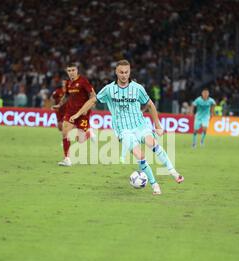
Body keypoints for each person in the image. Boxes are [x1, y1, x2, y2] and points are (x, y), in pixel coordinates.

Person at [70, 60, 184, 195]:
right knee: (139, 155)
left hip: (140, 125)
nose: (124, 75)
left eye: (126, 72)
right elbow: (92, 100)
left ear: (129, 72)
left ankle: (173, 172)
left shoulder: (138, 88)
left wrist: (158, 126)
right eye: (121, 72)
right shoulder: (109, 90)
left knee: (152, 143)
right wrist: (77, 114)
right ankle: (155, 185)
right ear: (116, 72)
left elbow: (151, 105)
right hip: (123, 130)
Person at [52, 63, 95, 167]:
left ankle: (89, 132)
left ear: (77, 71)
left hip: (82, 113)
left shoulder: (83, 81)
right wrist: (59, 104)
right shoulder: (68, 83)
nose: (71, 72)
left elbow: (92, 96)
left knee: (80, 140)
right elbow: (66, 95)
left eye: (73, 70)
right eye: (69, 70)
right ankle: (67, 159)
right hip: (70, 112)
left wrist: (87, 108)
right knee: (65, 133)